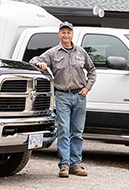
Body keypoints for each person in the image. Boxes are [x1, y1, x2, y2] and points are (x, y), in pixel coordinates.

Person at [30, 22, 96, 178]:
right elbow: (34, 60)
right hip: (62, 96)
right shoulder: (53, 53)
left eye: (68, 32)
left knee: (78, 132)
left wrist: (87, 87)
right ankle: (64, 165)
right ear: (59, 34)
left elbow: (92, 71)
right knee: (63, 131)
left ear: (72, 34)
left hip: (80, 96)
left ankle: (76, 164)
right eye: (63, 32)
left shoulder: (81, 52)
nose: (66, 35)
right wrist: (40, 64)